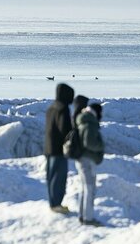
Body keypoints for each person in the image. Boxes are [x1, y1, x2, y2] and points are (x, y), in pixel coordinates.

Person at [44, 83, 74, 213]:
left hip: (48, 147)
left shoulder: (51, 107)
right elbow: (65, 130)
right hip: (59, 149)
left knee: (51, 176)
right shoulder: (63, 109)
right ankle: (57, 204)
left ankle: (53, 202)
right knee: (59, 177)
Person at [75, 103, 105, 226]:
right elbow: (89, 143)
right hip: (87, 159)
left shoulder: (83, 121)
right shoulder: (89, 124)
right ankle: (88, 218)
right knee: (89, 188)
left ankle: (82, 216)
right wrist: (101, 146)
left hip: (82, 159)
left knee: (85, 188)